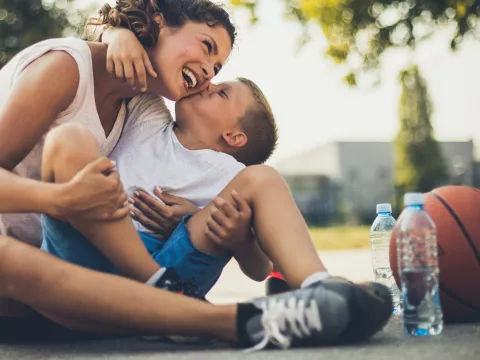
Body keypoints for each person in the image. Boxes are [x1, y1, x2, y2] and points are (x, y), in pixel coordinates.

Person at [0, 0, 236, 246]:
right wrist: (60, 199)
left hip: (41, 255)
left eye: (216, 69)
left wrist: (191, 219)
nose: (209, 73)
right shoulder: (65, 67)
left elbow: (173, 167)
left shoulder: (140, 104)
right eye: (207, 46)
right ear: (159, 22)